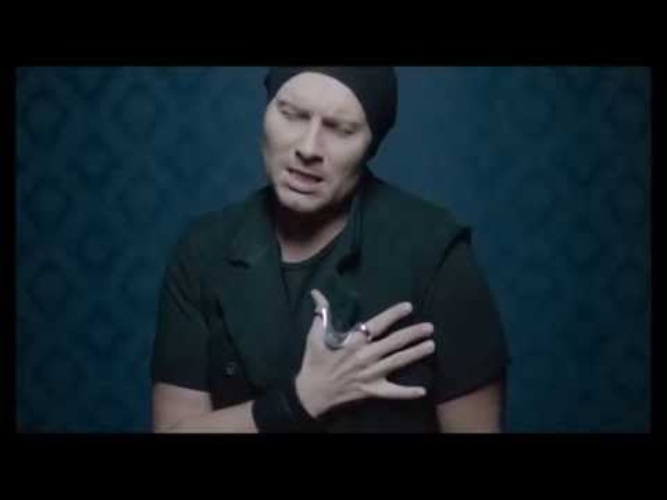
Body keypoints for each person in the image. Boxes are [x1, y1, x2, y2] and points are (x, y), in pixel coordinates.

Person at [151, 67, 510, 433]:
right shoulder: (204, 250)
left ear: (371, 145)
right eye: (292, 115)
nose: (308, 148)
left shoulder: (433, 251)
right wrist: (298, 402)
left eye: (341, 129)